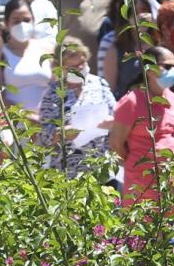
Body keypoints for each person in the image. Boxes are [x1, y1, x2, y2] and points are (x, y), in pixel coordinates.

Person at [108, 45, 174, 203]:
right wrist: (139, 163)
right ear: (149, 69)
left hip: (172, 185)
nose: (173, 71)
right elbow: (116, 144)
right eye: (167, 66)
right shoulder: (131, 102)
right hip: (142, 187)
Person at [37, 36, 117, 177]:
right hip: (68, 171)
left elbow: (116, 114)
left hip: (101, 167)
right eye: (74, 67)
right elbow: (44, 136)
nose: (80, 68)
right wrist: (61, 133)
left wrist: (112, 122)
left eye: (82, 63)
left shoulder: (99, 83)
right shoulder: (52, 94)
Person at [0, 0, 59, 115]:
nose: (22, 25)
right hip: (16, 124)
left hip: (49, 122)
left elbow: (57, 87)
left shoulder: (47, 49)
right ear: (6, 24)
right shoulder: (0, 53)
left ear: (34, 20)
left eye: (26, 20)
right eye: (16, 21)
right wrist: (25, 117)